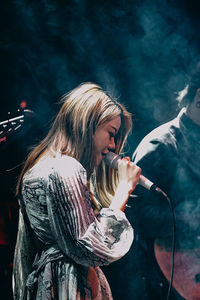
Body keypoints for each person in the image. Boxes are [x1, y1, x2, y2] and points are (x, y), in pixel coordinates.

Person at [12, 82, 141, 300]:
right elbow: (88, 248)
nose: (111, 145)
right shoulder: (66, 168)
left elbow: (25, 253)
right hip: (70, 286)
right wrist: (124, 189)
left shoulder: (39, 167)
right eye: (111, 133)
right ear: (87, 124)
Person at [128, 64, 200, 300]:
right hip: (167, 277)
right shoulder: (160, 146)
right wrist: (189, 220)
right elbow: (138, 215)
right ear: (199, 97)